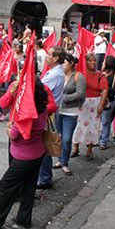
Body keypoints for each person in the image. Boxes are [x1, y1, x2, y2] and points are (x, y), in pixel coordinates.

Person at [0, 78, 49, 229]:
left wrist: (9, 128)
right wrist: (11, 92)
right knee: (29, 187)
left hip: (25, 157)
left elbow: (15, 134)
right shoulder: (41, 107)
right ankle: (24, 219)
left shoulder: (28, 112)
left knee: (5, 186)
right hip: (36, 154)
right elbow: (2, 104)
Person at [37, 46, 66, 189]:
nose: (46, 56)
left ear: (55, 58)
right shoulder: (54, 71)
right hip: (48, 111)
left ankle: (44, 177)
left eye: (49, 54)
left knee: (44, 145)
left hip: (48, 112)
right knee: (43, 144)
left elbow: (40, 89)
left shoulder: (56, 74)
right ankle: (44, 176)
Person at [53, 54, 86, 175]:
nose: (62, 66)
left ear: (71, 64)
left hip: (71, 112)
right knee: (59, 137)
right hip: (58, 111)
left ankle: (65, 162)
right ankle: (60, 159)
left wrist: (65, 98)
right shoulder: (59, 75)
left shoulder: (78, 77)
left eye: (64, 63)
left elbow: (81, 93)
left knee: (67, 138)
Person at [72, 54, 108, 160]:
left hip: (95, 103)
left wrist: (101, 104)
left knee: (93, 126)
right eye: (90, 60)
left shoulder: (100, 75)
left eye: (94, 60)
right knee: (78, 126)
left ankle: (89, 150)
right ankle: (75, 147)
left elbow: (104, 90)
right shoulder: (80, 74)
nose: (93, 63)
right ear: (85, 61)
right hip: (82, 103)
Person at [98, 56, 115, 150]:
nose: (102, 63)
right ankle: (96, 138)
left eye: (104, 62)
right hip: (98, 100)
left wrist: (105, 88)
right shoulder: (100, 74)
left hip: (108, 101)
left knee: (105, 122)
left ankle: (103, 141)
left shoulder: (114, 76)